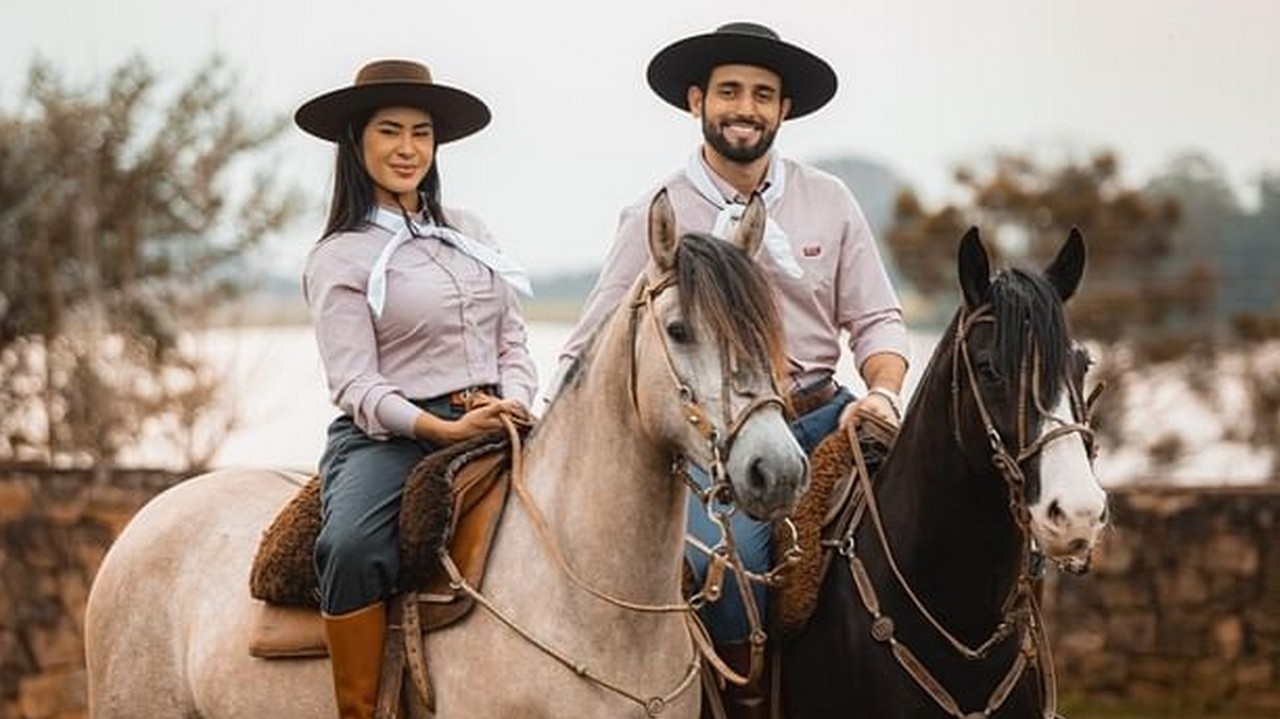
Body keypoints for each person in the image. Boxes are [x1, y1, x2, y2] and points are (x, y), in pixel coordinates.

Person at [550, 22, 910, 718]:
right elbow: (593, 342)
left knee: (930, 524)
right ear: (697, 101)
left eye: (763, 95)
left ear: (784, 110)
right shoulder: (655, 213)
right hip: (712, 436)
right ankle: (742, 706)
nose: (746, 107)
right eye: (731, 92)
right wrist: (549, 426)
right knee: (731, 581)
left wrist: (886, 393)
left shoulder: (829, 200)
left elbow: (877, 321)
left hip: (826, 411)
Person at [295, 59, 537, 719]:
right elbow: (355, 383)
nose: (408, 149)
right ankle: (360, 706)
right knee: (349, 545)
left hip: (495, 415)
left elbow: (511, 335)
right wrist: (437, 429)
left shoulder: (471, 232)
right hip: (392, 436)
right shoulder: (337, 256)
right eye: (391, 132)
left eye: (421, 134)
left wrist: (513, 396)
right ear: (357, 142)